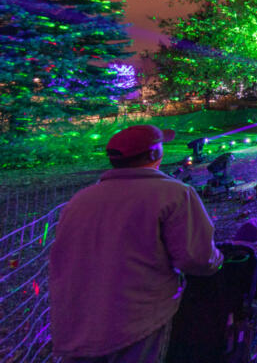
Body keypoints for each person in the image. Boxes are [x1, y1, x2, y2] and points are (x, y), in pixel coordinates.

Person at [50, 125, 223, 363]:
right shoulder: (174, 194)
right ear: (154, 155)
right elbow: (196, 259)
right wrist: (218, 259)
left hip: (79, 322)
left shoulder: (81, 199)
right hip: (137, 319)